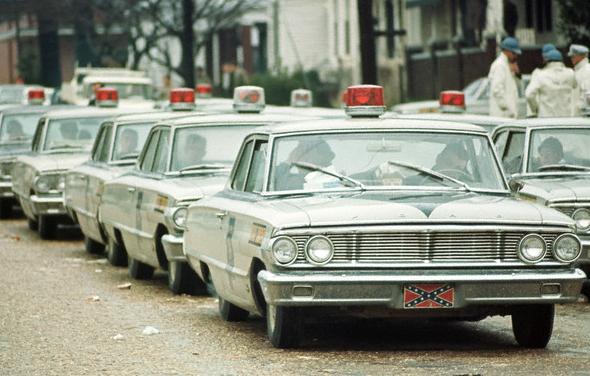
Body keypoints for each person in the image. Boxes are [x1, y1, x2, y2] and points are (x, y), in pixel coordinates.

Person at [525, 49, 576, 117]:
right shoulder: (571, 73)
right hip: (566, 117)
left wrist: (536, 109)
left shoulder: (541, 75)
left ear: (546, 61)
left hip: (546, 118)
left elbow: (529, 94)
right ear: (561, 61)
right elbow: (576, 89)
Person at [488, 37, 521, 118]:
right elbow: (497, 90)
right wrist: (508, 110)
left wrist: (517, 74)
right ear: (507, 51)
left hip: (507, 116)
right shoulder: (500, 65)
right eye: (514, 53)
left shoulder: (507, 65)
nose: (516, 56)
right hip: (502, 116)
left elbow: (516, 88)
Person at [527, 44, 556, 117]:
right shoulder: (537, 73)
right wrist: (536, 110)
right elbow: (531, 95)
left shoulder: (539, 73)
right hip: (540, 114)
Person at [568, 44, 590, 115]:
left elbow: (587, 94)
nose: (571, 58)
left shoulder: (587, 70)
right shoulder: (578, 70)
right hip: (577, 115)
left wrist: (579, 107)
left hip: (583, 115)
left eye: (573, 56)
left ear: (581, 56)